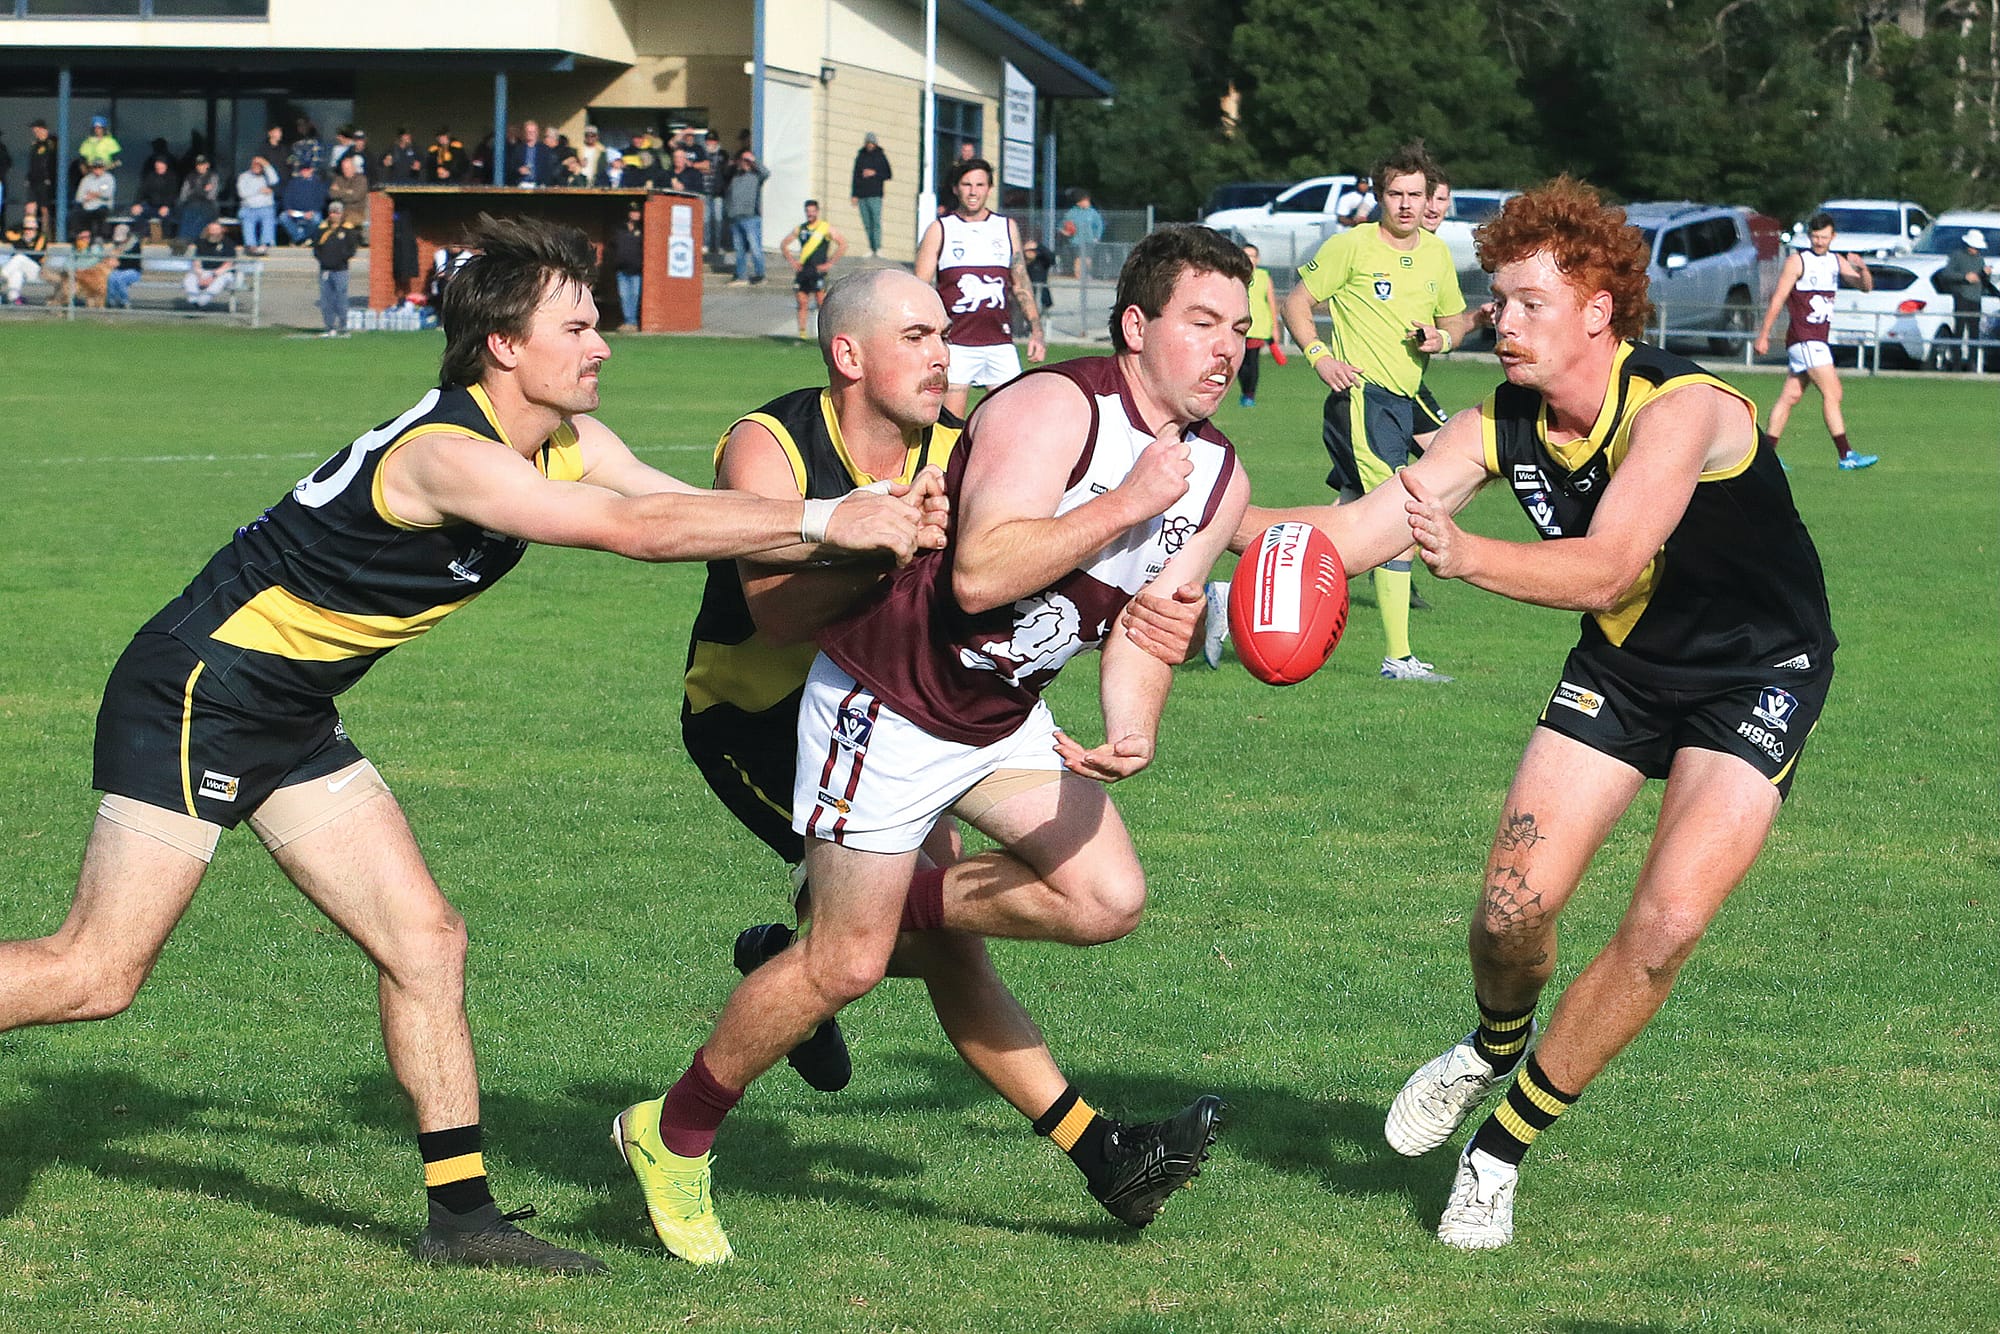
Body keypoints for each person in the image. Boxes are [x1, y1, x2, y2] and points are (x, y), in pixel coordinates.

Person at [0, 214, 935, 1275]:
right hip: (201, 691)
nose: (603, 344)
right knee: (95, 972)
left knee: (426, 940)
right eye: (577, 326)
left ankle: (462, 1219)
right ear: (503, 345)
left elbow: (678, 507)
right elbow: (628, 534)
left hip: (289, 710)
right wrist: (830, 519)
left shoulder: (566, 440)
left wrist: (858, 518)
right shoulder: (448, 455)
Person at [616, 226, 1250, 1266]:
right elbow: (931, 586)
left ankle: (843, 930)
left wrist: (1134, 718)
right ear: (1135, 327)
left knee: (1101, 899)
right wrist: (1119, 502)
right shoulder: (1018, 413)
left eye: (1237, 328)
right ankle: (674, 1129)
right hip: (841, 705)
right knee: (854, 959)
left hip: (993, 714)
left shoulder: (1190, 468)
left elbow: (1141, 610)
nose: (1224, 348)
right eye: (1200, 322)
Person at [1250, 177, 1839, 1250]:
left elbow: (1609, 563)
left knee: (1663, 926)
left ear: (1595, 311)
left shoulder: (1684, 408)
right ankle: (1488, 1042)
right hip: (1622, 668)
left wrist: (1463, 554)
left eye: (1525, 301)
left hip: (1757, 675)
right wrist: (1193, 520)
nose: (1500, 320)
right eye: (1496, 298)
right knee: (1507, 909)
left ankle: (1499, 1149)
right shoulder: (1494, 422)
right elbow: (1359, 528)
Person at [1278, 141, 1482, 682]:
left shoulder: (1437, 253)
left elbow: (1458, 319)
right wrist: (1319, 355)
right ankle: (1399, 658)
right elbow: (1295, 302)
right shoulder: (1353, 246)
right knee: (1398, 521)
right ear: (1378, 195)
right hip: (1363, 399)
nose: (1408, 204)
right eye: (1396, 193)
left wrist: (1443, 336)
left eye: (1417, 194)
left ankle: (1238, 595)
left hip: (1406, 399)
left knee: (1350, 516)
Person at [914, 158, 1046, 418]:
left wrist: (1036, 330)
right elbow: (920, 288)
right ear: (956, 189)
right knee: (951, 427)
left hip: (999, 343)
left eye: (980, 184)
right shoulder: (941, 229)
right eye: (966, 184)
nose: (973, 191)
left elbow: (1020, 282)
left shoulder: (1006, 228)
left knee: (1012, 421)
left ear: (989, 188)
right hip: (957, 344)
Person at [1753, 212, 1878, 470]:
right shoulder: (1798, 262)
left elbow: (1865, 287)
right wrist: (1764, 335)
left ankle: (1765, 457)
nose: (1819, 242)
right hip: (1805, 339)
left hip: (1817, 339)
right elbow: (1778, 299)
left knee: (1791, 396)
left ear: (1833, 237)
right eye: (1815, 237)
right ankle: (1846, 455)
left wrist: (1863, 269)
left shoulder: (1835, 261)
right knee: (1834, 392)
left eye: (1824, 237)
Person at [783, 199, 845, 340]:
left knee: (821, 302)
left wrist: (829, 263)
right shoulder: (801, 228)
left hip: (818, 270)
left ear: (817, 211)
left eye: (812, 211)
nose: (810, 214)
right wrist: (793, 261)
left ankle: (825, 334)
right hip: (804, 270)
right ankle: (802, 334)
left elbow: (842, 244)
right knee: (802, 301)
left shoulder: (825, 228)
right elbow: (784, 244)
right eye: (808, 211)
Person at [1938, 228, 1994, 372]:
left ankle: (1972, 364)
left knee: (1974, 334)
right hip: (1961, 297)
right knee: (1959, 331)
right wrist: (1964, 277)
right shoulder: (1957, 256)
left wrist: (1986, 274)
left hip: (1976, 299)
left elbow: (1983, 280)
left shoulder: (1980, 259)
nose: (1975, 250)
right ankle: (1956, 364)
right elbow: (1946, 274)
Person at [1238, 242, 1283, 408]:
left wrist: (1275, 327)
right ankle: (1244, 391)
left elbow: (1271, 303)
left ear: (1257, 259)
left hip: (1259, 326)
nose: (1249, 260)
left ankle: (1250, 394)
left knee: (1252, 361)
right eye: (1246, 256)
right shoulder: (1235, 275)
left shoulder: (1264, 276)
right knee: (1240, 363)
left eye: (1252, 256)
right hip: (1239, 324)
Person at [312, 201, 360, 336]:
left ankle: (343, 327)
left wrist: (340, 259)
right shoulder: (322, 229)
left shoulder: (347, 229)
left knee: (341, 299)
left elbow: (352, 249)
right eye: (332, 212)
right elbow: (316, 248)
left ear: (342, 213)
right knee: (326, 300)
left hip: (341, 270)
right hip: (325, 270)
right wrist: (324, 260)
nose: (334, 215)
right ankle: (329, 327)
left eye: (337, 212)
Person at [724, 149, 770, 286]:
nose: (745, 163)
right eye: (743, 160)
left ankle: (760, 275)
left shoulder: (756, 176)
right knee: (739, 250)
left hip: (750, 217)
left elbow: (766, 173)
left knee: (755, 248)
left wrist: (753, 161)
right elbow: (725, 174)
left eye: (747, 161)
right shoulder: (735, 176)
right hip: (735, 217)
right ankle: (741, 275)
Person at [849, 132, 893, 256]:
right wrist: (854, 194)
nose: (869, 145)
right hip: (862, 195)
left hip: (875, 194)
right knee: (867, 222)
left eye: (871, 143)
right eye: (868, 143)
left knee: (876, 222)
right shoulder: (861, 156)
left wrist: (874, 173)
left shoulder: (880, 156)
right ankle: (871, 248)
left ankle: (878, 247)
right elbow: (855, 176)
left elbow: (888, 174)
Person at [182, 218, 237, 308]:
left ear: (222, 230)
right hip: (204, 270)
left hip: (222, 273)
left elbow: (228, 263)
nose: (214, 233)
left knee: (218, 283)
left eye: (217, 230)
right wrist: (199, 276)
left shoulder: (229, 243)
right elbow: (196, 261)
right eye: (212, 230)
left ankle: (201, 302)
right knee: (189, 278)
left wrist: (212, 277)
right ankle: (194, 301)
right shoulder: (200, 242)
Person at [3, 203, 50, 305]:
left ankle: (2, 276)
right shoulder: (19, 237)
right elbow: (6, 232)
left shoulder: (41, 238)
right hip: (22, 268)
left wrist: (24, 247)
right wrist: (24, 222)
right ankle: (14, 299)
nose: (29, 231)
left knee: (19, 257)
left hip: (36, 272)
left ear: (36, 229)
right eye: (27, 229)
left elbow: (36, 255)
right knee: (16, 273)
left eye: (32, 229)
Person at [609, 202, 645, 330]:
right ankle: (627, 321)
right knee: (624, 296)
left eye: (637, 212)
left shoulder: (643, 228)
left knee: (634, 296)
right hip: (622, 268)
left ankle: (632, 322)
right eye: (633, 212)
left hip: (636, 269)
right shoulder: (619, 228)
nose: (635, 214)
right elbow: (613, 245)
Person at [237, 155, 280, 254]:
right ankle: (250, 245)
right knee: (247, 218)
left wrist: (266, 164)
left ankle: (265, 244)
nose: (257, 167)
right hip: (249, 207)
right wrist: (259, 191)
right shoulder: (243, 176)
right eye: (255, 165)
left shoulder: (266, 176)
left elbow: (275, 180)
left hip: (265, 207)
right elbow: (242, 193)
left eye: (259, 165)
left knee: (269, 217)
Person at [175, 155, 221, 246]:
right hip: (191, 204)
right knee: (187, 215)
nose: (200, 167)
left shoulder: (213, 176)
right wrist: (202, 190)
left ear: (207, 165)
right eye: (198, 165)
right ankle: (182, 242)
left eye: (203, 164)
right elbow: (183, 195)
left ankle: (194, 242)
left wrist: (194, 191)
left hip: (208, 205)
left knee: (201, 217)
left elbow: (211, 195)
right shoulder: (190, 177)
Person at [1059, 189, 1105, 280]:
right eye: (1085, 201)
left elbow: (1099, 226)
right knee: (1078, 259)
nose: (1087, 202)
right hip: (1076, 241)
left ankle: (1087, 274)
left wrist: (1097, 237)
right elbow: (1062, 226)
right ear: (1078, 202)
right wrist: (1065, 232)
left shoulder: (1093, 213)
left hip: (1089, 240)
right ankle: (1078, 276)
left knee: (1087, 259)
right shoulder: (1071, 213)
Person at [130, 157, 180, 239]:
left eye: (161, 167)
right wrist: (136, 204)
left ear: (166, 166)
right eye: (158, 167)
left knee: (166, 217)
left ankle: (165, 239)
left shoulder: (172, 178)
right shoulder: (150, 177)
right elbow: (142, 191)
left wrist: (166, 206)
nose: (159, 168)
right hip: (151, 205)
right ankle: (140, 237)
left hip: (166, 207)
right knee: (137, 212)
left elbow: (173, 195)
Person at [280, 163, 329, 247]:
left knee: (317, 219)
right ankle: (301, 238)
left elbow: (321, 201)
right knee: (283, 217)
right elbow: (286, 197)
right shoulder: (293, 183)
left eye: (307, 170)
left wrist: (312, 211)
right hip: (296, 212)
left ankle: (302, 239)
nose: (305, 172)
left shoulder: (318, 183)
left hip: (311, 212)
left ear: (311, 170)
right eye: (303, 170)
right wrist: (289, 209)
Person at [105, 220, 145, 309]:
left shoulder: (135, 245)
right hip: (119, 269)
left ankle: (125, 301)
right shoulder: (116, 244)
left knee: (120, 279)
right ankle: (110, 300)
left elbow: (131, 262)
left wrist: (118, 261)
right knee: (111, 277)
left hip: (133, 271)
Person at [75, 161, 117, 239]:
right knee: (78, 213)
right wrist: (90, 196)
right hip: (88, 206)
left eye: (100, 168)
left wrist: (94, 194)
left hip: (102, 206)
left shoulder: (109, 178)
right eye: (95, 168)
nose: (97, 170)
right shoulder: (86, 179)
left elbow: (107, 194)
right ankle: (84, 238)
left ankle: (99, 237)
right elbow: (79, 197)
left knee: (101, 213)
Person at [27, 120, 60, 215]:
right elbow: (33, 163)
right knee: (31, 207)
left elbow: (52, 160)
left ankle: (46, 229)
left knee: (45, 207)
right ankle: (32, 228)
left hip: (46, 181)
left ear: (44, 129)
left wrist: (49, 177)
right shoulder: (35, 145)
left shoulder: (52, 142)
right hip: (34, 181)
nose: (36, 133)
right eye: (34, 131)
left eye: (37, 130)